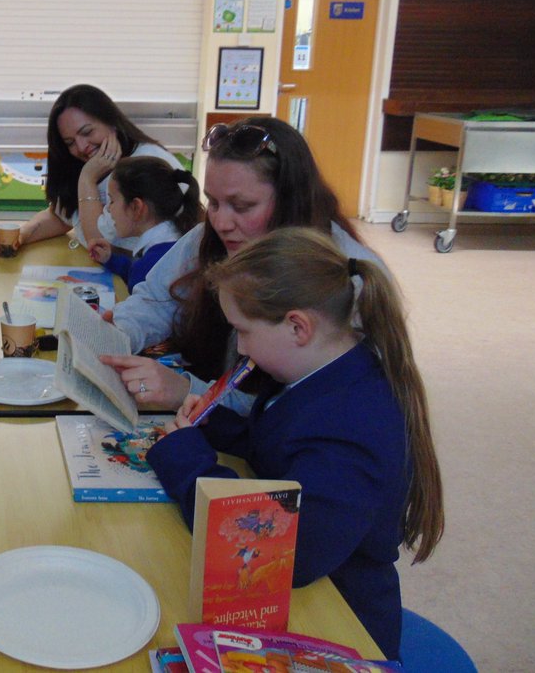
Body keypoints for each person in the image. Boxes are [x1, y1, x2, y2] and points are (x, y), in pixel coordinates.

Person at [145, 228, 444, 660]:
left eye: (243, 332)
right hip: (315, 591)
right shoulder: (321, 375)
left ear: (297, 326)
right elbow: (282, 443)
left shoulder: (352, 424)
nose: (241, 349)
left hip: (339, 622)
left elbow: (286, 554)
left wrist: (188, 463)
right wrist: (214, 426)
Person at [104, 117, 386, 414]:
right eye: (212, 202)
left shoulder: (343, 277)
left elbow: (294, 415)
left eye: (242, 207)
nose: (221, 223)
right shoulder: (208, 237)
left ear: (290, 200)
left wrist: (186, 391)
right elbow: (156, 300)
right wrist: (120, 332)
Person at [0, 84, 185, 255]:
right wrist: (21, 234)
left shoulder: (145, 165)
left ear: (112, 123)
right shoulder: (89, 163)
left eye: (87, 132)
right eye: (69, 142)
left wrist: (87, 179)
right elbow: (63, 216)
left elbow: (98, 242)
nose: (81, 147)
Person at [87, 156, 202, 291]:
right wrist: (110, 259)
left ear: (136, 207)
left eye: (112, 201)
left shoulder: (150, 267)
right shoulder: (173, 244)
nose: (108, 209)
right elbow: (136, 271)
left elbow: (141, 277)